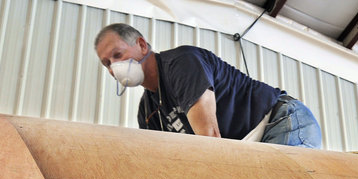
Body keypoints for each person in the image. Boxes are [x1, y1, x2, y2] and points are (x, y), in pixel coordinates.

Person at [94, 23, 321, 148]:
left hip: (279, 122)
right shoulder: (147, 113)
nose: (114, 67)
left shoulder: (182, 63)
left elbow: (209, 138)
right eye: (107, 64)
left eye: (117, 54)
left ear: (142, 45)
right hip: (245, 149)